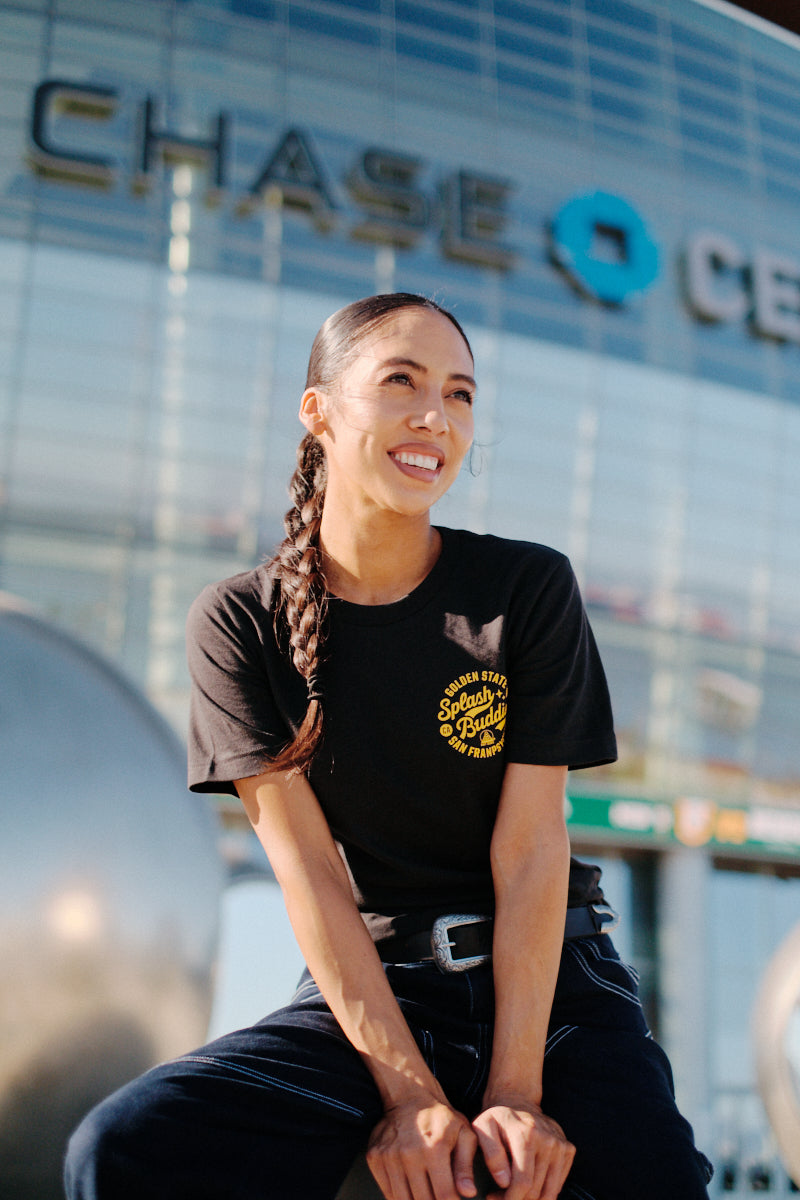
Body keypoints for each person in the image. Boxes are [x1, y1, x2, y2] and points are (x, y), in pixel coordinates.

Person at [65, 292, 713, 1200]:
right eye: (400, 382)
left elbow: (531, 852)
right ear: (318, 410)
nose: (433, 417)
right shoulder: (238, 622)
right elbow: (312, 876)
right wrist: (410, 1096)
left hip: (555, 987)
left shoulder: (524, 586)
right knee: (126, 1148)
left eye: (459, 395)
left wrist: (517, 1095)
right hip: (377, 990)